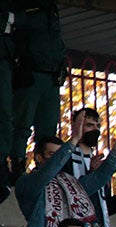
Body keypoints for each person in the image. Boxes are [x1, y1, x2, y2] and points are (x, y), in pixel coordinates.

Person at [16, 119, 116, 227]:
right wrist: (74, 140)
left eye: (62, 155)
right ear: (38, 157)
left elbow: (99, 177)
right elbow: (48, 172)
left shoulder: (70, 182)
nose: (60, 160)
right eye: (53, 155)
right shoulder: (28, 181)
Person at [10, 0, 64, 165]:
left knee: (48, 131)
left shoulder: (51, 8)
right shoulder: (20, 5)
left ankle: (43, 171)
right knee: (21, 125)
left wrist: (61, 66)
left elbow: (56, 40)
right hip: (30, 74)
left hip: (51, 76)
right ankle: (16, 166)